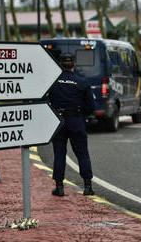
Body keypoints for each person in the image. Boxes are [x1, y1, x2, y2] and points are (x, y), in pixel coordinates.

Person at [48, 53, 95, 196]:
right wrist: (81, 115)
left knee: (59, 154)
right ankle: (87, 186)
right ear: (74, 64)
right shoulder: (82, 82)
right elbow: (91, 106)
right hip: (76, 120)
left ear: (60, 64)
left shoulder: (52, 81)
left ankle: (60, 187)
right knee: (82, 154)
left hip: (59, 121)